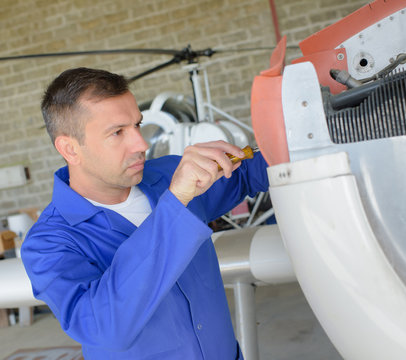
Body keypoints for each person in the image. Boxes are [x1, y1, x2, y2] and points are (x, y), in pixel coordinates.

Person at [21, 67, 269, 359]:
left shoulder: (168, 175)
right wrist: (176, 202)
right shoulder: (48, 244)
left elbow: (250, 172)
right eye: (117, 132)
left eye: (137, 125)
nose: (142, 144)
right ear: (70, 149)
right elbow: (106, 328)